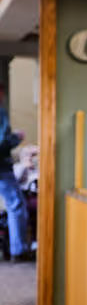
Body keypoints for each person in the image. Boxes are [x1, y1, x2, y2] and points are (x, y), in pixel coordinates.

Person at [0, 84, 31, 263]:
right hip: (1, 167)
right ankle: (18, 250)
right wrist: (16, 138)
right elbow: (2, 142)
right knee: (16, 205)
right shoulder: (1, 113)